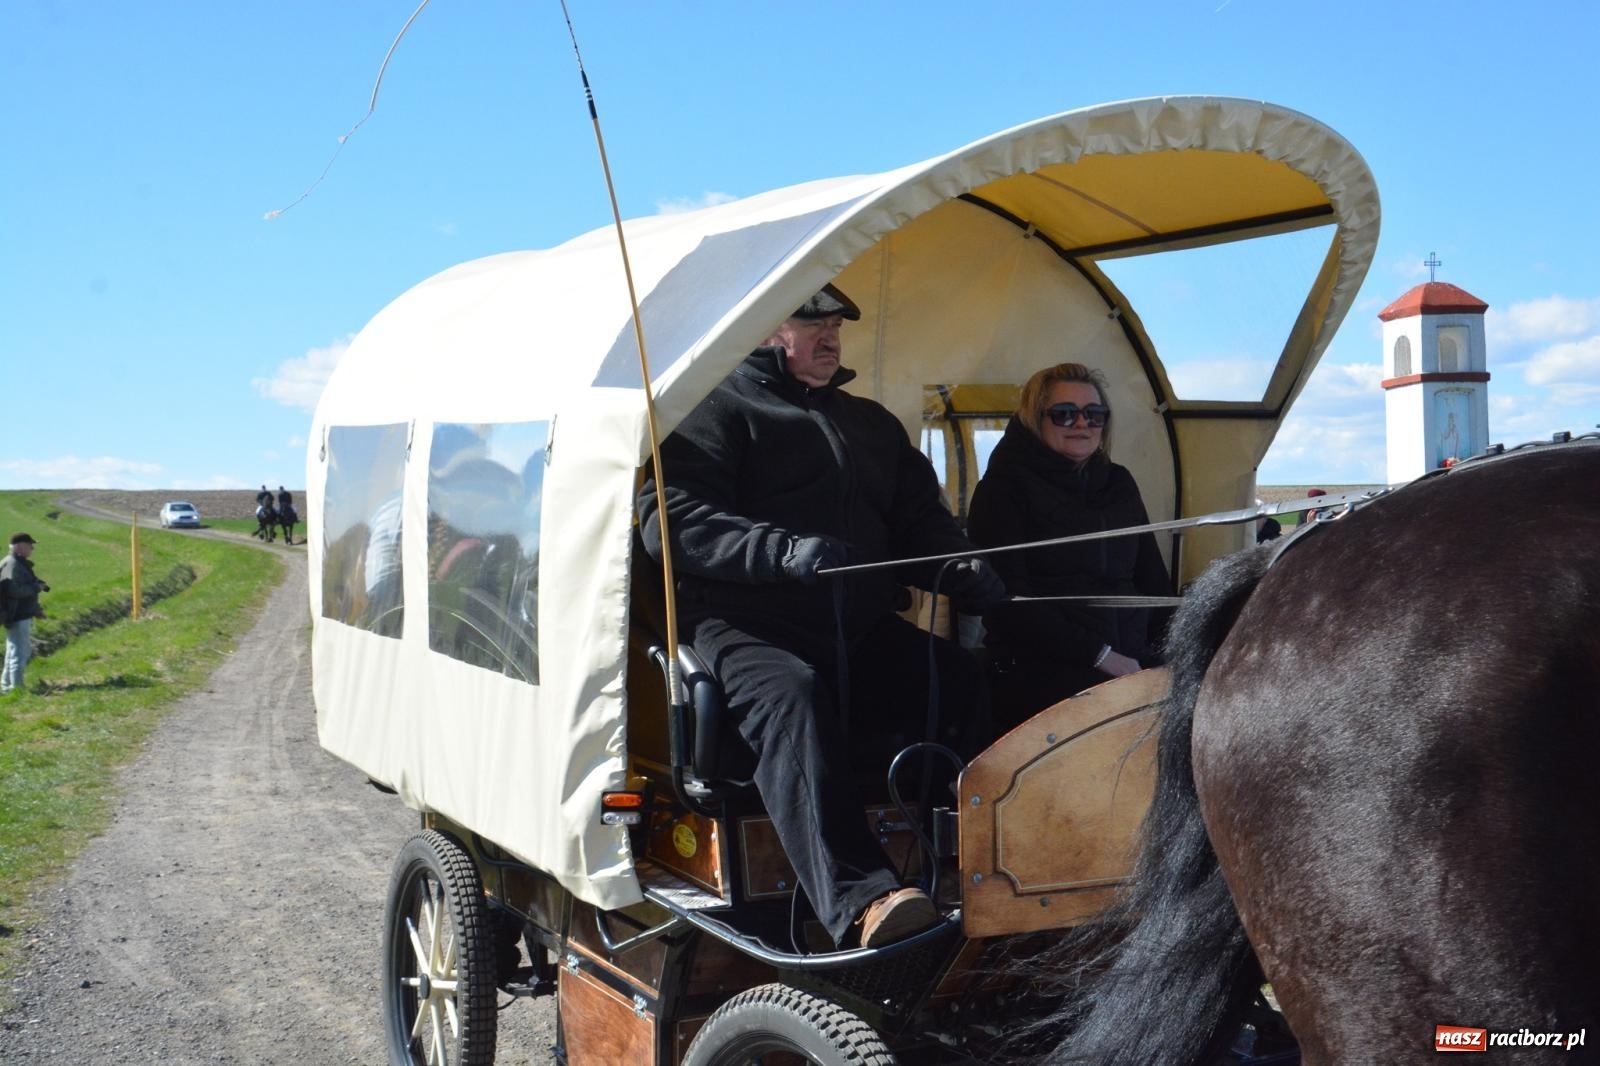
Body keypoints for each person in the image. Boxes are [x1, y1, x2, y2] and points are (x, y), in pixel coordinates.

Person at [637, 283, 1006, 949]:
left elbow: (919, 522)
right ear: (763, 330)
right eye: (810, 322)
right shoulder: (713, 409)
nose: (829, 335)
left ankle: (967, 866)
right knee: (794, 696)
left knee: (957, 681)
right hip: (745, 627)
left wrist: (961, 570)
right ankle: (864, 902)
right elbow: (671, 521)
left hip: (856, 630)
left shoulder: (871, 426)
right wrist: (781, 553)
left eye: (834, 323)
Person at [966, 363, 1170, 732]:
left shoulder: (1119, 482)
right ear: (1035, 419)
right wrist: (1103, 657)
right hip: (1045, 667)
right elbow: (1008, 605)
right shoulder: (1003, 489)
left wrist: (1173, 651)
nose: (1082, 425)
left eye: (1094, 415)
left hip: (1132, 662)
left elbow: (1152, 580)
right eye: (1064, 414)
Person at [1, 533, 49, 695]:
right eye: (30, 545)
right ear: (19, 546)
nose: (32, 548)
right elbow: (14, 590)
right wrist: (37, 588)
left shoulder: (13, 563)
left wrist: (36, 610)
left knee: (14, 650)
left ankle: (6, 686)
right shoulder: (13, 564)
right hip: (17, 614)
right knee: (19, 652)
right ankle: (16, 688)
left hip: (18, 613)